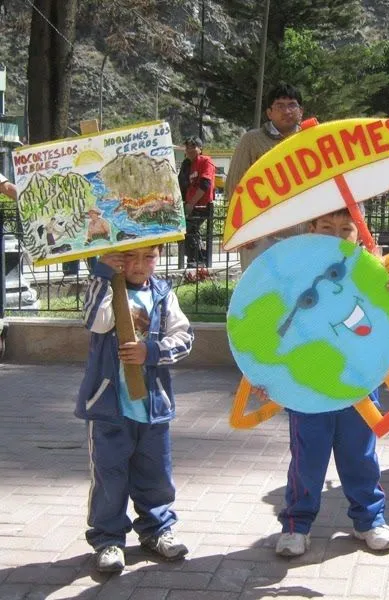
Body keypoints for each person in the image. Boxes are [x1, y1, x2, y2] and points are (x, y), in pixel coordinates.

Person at [268, 207, 389, 557]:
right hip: (308, 382)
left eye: (346, 228)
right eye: (326, 226)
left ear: (360, 233)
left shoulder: (372, 268)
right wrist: (266, 370)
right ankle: (296, 525)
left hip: (359, 378)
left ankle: (370, 520)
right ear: (310, 227)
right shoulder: (295, 269)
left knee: (360, 453)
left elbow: (388, 317)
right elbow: (274, 321)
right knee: (306, 457)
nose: (336, 234)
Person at [76, 245, 194, 573]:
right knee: (110, 476)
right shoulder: (107, 287)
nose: (140, 265)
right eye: (131, 257)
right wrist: (102, 274)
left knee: (156, 474)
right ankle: (109, 539)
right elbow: (94, 322)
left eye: (150, 257)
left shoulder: (162, 293)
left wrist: (151, 352)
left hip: (153, 407)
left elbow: (184, 337)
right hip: (109, 407)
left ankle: (157, 529)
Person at [225, 82, 307, 271]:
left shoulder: (311, 140)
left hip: (303, 236)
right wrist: (244, 230)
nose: (287, 111)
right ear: (269, 113)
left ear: (301, 111)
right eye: (280, 106)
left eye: (292, 105)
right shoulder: (252, 140)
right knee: (261, 294)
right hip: (261, 238)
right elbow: (234, 187)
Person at [182, 136, 215, 267]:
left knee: (188, 230)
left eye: (192, 147)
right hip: (191, 205)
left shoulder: (206, 161)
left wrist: (191, 203)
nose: (189, 150)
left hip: (202, 205)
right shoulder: (188, 164)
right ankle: (197, 259)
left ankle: (197, 260)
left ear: (200, 149)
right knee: (189, 231)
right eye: (187, 147)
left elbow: (205, 184)